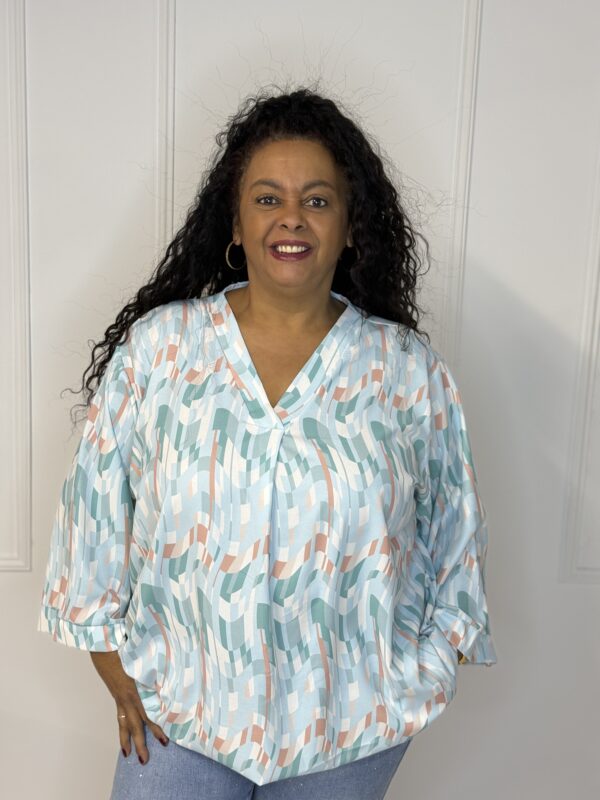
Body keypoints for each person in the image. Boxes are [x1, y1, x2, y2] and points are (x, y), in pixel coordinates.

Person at [37, 85, 498, 799]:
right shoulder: (162, 351)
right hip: (178, 714)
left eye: (317, 199)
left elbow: (454, 532)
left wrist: (431, 663)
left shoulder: (405, 371)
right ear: (236, 220)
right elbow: (94, 504)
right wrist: (111, 663)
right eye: (267, 198)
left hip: (350, 728)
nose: (292, 217)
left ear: (350, 226)